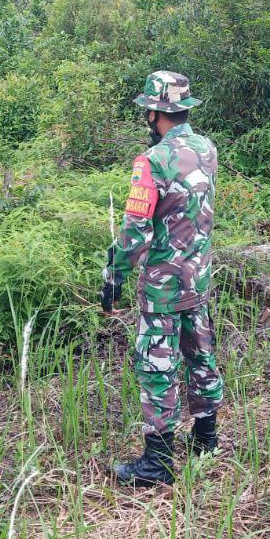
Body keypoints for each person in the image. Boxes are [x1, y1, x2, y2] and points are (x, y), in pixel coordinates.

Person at [101, 70, 224, 486]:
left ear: (154, 113)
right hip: (198, 279)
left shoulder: (151, 161)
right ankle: (206, 440)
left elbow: (136, 231)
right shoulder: (207, 149)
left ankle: (157, 464)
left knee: (157, 367)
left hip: (163, 287)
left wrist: (114, 274)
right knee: (200, 354)